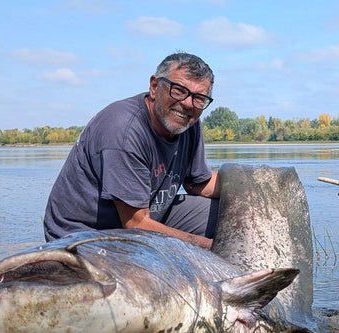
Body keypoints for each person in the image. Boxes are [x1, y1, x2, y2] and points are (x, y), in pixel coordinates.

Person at [43, 52, 220, 249]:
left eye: (199, 98)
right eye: (178, 90)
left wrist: (254, 185)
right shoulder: (123, 131)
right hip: (86, 233)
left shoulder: (188, 124)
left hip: (147, 214)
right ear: (154, 87)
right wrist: (211, 247)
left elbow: (197, 183)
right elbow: (135, 224)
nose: (187, 104)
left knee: (231, 213)